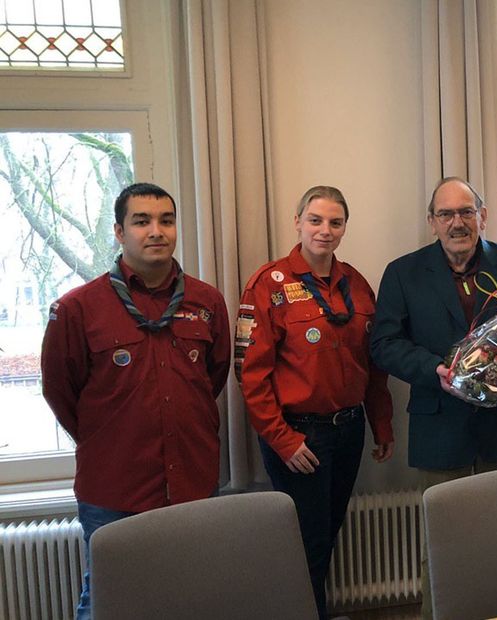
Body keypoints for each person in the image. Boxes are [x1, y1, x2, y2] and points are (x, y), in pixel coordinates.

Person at [40, 182, 231, 620]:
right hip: (113, 488)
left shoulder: (207, 302)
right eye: (141, 221)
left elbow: (213, 379)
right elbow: (60, 392)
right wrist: (110, 437)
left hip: (192, 484)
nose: (156, 231)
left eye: (166, 220)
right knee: (108, 603)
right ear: (119, 231)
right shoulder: (78, 308)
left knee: (191, 599)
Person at [370, 177, 497, 618]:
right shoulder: (402, 272)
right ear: (432, 223)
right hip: (439, 423)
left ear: (482, 216)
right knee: (442, 543)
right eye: (446, 214)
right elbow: (383, 344)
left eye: (467, 212)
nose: (457, 222)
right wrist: (436, 370)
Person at [236, 185, 394, 619]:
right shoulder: (269, 284)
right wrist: (282, 440)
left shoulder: (356, 284)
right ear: (298, 222)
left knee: (327, 534)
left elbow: (373, 365)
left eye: (335, 222)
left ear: (345, 227)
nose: (325, 230)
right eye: (315, 220)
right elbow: (251, 374)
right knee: (305, 542)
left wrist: (382, 424)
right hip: (299, 434)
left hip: (349, 429)